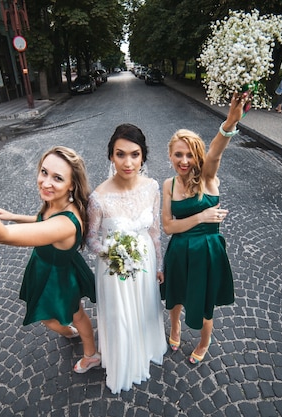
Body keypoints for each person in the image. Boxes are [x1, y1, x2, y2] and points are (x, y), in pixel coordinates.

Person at [0, 146, 99, 372]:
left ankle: (91, 354)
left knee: (71, 314)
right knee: (69, 313)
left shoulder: (65, 223)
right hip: (47, 266)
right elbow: (43, 221)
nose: (46, 182)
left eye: (57, 178)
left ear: (72, 185)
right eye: (44, 172)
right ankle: (71, 333)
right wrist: (14, 216)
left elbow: (0, 235)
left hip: (59, 275)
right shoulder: (58, 203)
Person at [161, 92, 247, 365]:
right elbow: (167, 226)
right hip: (178, 249)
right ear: (170, 156)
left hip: (207, 252)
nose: (183, 161)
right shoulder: (168, 185)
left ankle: (204, 340)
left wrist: (230, 122)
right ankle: (175, 327)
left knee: (204, 302)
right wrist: (201, 217)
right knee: (175, 296)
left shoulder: (208, 177)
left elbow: (216, 149)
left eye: (189, 155)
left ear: (197, 156)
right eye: (178, 155)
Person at [86, 123, 167, 394]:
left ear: (143, 156)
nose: (128, 162)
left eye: (134, 154)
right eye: (120, 154)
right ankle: (123, 360)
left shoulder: (153, 187)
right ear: (111, 156)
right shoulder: (98, 197)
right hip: (114, 266)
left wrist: (158, 263)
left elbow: (155, 229)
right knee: (120, 314)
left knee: (144, 307)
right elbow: (91, 238)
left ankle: (145, 347)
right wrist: (111, 254)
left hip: (144, 261)